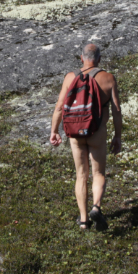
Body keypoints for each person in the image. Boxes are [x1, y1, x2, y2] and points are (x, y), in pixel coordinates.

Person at [50, 43, 122, 229]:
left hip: (75, 132)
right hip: (97, 131)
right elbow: (117, 110)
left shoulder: (70, 77)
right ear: (99, 59)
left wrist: (54, 131)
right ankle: (96, 207)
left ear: (81, 58)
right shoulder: (108, 78)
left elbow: (59, 107)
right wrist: (117, 136)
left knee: (81, 175)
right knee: (98, 173)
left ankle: (83, 220)